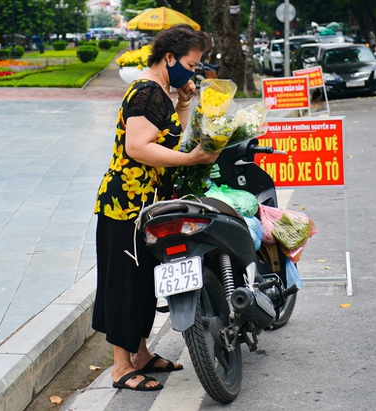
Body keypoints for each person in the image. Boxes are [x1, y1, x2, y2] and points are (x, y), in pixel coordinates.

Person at [92, 24, 218, 392]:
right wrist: (193, 159)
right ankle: (120, 366)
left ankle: (142, 353)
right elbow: (138, 146)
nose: (194, 72)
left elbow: (168, 139)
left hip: (149, 201)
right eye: (191, 64)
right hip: (126, 204)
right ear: (169, 58)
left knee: (145, 280)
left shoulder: (163, 90)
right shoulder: (147, 92)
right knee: (125, 281)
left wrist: (182, 101)